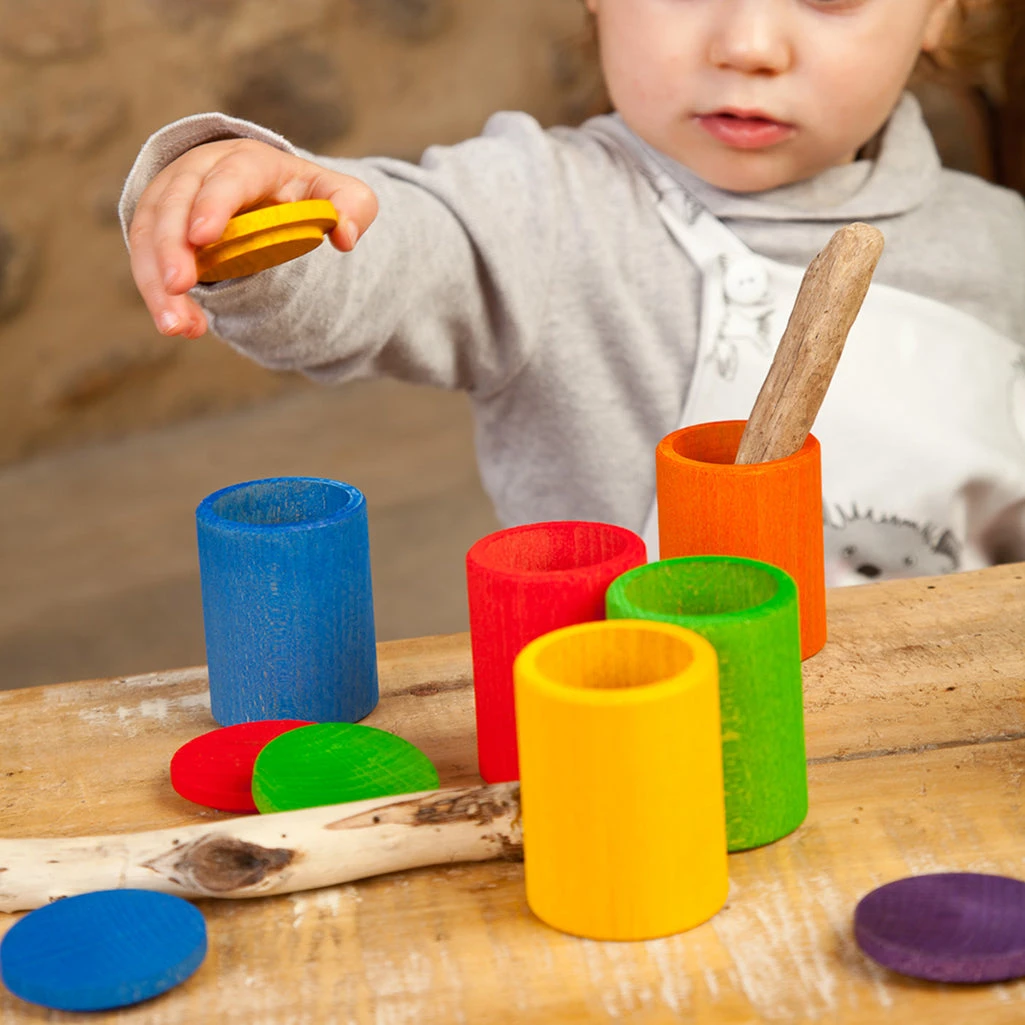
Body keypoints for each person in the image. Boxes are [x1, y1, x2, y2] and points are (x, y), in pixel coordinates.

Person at [120, 0, 1025, 586]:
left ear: (947, 11)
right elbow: (387, 246)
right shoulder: (544, 210)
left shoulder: (1002, 245)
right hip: (627, 752)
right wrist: (265, 216)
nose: (748, 45)